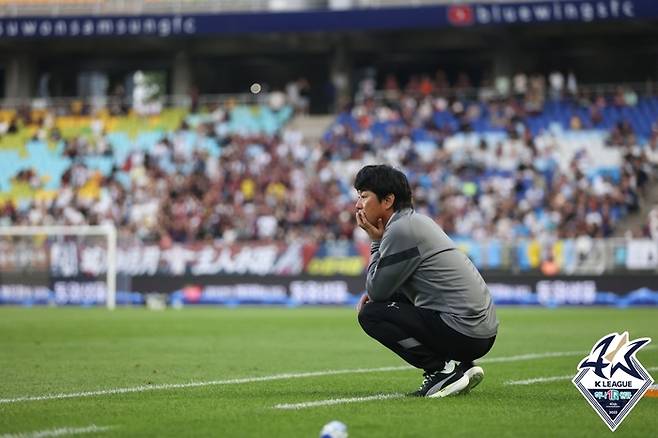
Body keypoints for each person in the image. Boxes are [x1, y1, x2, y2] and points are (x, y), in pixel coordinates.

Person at [354, 164, 498, 398]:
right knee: (385, 300)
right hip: (479, 331)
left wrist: (375, 241)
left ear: (388, 200)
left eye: (364, 196)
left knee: (370, 313)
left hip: (466, 333)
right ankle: (463, 368)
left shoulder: (401, 230)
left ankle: (441, 371)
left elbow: (377, 290)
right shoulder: (414, 222)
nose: (358, 204)